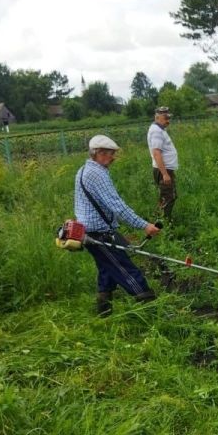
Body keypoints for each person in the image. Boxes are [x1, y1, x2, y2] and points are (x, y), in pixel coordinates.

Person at [75, 134, 161, 317]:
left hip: (90, 232)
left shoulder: (83, 170)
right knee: (125, 269)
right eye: (110, 153)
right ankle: (152, 309)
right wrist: (144, 225)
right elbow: (117, 206)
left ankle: (103, 311)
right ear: (98, 153)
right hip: (98, 234)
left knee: (107, 269)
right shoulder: (96, 174)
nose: (113, 157)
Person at [147, 106, 179, 222]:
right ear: (157, 117)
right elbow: (156, 153)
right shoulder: (156, 131)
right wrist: (165, 174)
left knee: (165, 196)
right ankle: (165, 222)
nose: (168, 121)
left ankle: (159, 219)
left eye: (168, 118)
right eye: (165, 118)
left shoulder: (159, 130)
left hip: (164, 169)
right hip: (164, 170)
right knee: (169, 197)